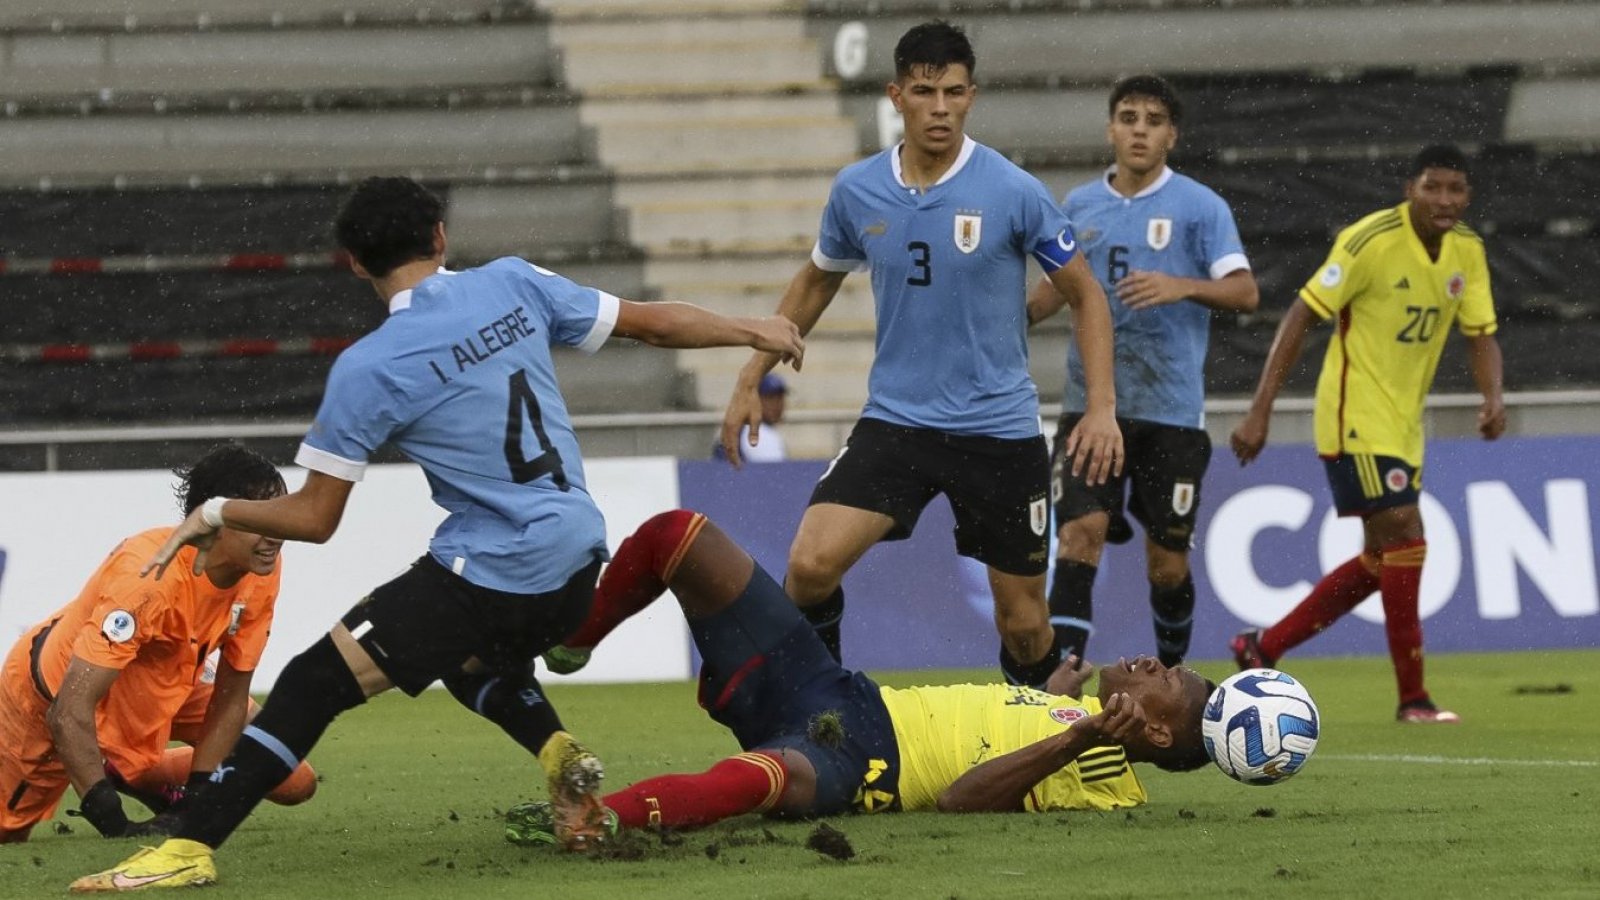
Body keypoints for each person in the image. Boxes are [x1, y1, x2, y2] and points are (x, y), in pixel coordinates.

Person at [70, 176, 804, 892]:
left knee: (311, 684)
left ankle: (185, 850)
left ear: (356, 263)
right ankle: (557, 752)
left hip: (495, 564)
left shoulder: (369, 367)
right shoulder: (514, 282)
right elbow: (651, 322)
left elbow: (315, 519)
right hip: (579, 552)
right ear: (441, 237)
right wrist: (753, 328)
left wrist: (219, 512)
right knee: (469, 660)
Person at [718, 21, 1123, 690]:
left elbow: (1087, 295)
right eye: (926, 92)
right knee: (810, 567)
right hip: (898, 423)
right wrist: (749, 374)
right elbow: (817, 278)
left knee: (1024, 626)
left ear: (972, 97)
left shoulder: (1012, 190)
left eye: (955, 93)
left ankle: (1045, 736)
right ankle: (826, 710)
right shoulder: (858, 190)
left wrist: (1101, 409)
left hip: (998, 430)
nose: (941, 108)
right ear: (896, 95)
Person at [512, 509, 1213, 840]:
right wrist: (1048, 702)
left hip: (868, 763)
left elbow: (961, 801)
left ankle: (597, 821)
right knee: (680, 537)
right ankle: (573, 640)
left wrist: (1077, 734)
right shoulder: (1074, 717)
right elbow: (1020, 731)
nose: (1157, 663)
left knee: (760, 783)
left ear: (1154, 729)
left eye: (1169, 681)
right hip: (837, 693)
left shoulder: (1108, 785)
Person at [1228, 144, 1504, 724]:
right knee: (1407, 536)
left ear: (1468, 196)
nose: (1445, 200)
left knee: (1384, 556)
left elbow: (1481, 334)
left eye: (1456, 189)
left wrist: (1493, 398)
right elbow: (1302, 313)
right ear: (1411, 189)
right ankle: (1414, 698)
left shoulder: (1468, 252)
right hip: (1354, 415)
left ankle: (1263, 647)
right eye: (1433, 187)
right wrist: (1261, 411)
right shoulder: (1369, 240)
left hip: (1404, 424)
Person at [1030, 75, 1258, 668]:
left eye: (1152, 120)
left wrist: (1181, 284)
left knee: (1167, 563)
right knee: (1080, 536)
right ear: (1111, 128)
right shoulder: (1079, 206)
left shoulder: (1201, 207)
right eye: (1128, 117)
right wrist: (1012, 319)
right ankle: (1063, 688)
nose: (1139, 129)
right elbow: (1060, 290)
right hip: (1090, 405)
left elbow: (1246, 292)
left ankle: (1173, 676)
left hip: (1170, 412)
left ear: (1171, 136)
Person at [0, 444, 315, 845]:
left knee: (295, 781)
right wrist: (113, 821)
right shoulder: (149, 578)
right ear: (215, 520)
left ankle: (135, 772)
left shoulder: (260, 568)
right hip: (58, 694)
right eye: (258, 520)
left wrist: (200, 800)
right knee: (5, 835)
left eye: (279, 516)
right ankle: (122, 768)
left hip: (174, 679)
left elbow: (231, 697)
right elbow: (67, 710)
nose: (277, 533)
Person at [714, 373, 789, 463]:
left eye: (780, 398)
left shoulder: (738, 429)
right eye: (770, 398)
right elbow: (775, 473)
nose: (777, 405)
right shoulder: (759, 434)